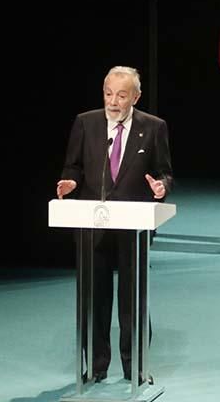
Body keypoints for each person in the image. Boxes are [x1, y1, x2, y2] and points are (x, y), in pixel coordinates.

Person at [56, 66, 173, 384]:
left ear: (135, 96)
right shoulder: (86, 123)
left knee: (132, 300)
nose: (113, 101)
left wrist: (161, 187)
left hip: (134, 227)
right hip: (92, 225)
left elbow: (164, 172)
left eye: (121, 95)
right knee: (94, 298)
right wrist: (69, 182)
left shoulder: (153, 127)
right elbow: (74, 166)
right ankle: (95, 365)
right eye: (108, 93)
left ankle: (135, 366)